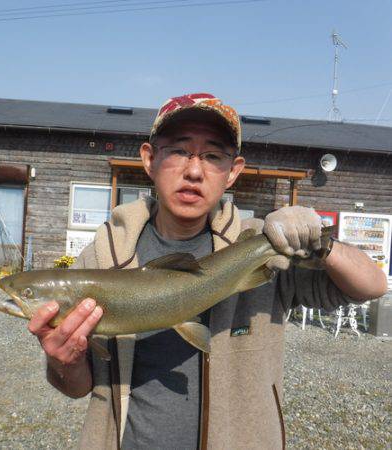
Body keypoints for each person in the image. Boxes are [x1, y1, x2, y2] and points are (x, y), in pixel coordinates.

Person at [28, 93, 387, 450]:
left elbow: (372, 285)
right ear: (149, 159)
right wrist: (63, 361)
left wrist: (319, 243)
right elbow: (76, 387)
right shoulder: (101, 258)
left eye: (213, 156)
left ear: (233, 172)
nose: (194, 171)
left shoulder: (263, 248)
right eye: (179, 151)